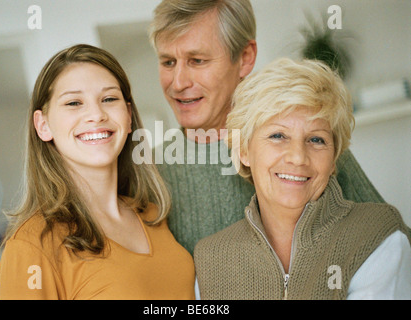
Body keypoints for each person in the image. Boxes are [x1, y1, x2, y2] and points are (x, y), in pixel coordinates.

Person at [149, 0, 384, 255]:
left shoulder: (307, 142)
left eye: (197, 60)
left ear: (245, 57)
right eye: (168, 62)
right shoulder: (150, 172)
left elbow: (392, 243)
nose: (179, 82)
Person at [194, 58, 411, 299]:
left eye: (316, 139)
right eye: (278, 135)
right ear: (244, 150)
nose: (298, 157)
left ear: (333, 158)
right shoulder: (210, 259)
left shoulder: (378, 235)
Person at [0, 44, 195, 300]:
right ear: (43, 125)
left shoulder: (152, 214)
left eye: (109, 99)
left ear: (128, 114)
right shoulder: (31, 246)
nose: (96, 114)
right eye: (74, 102)